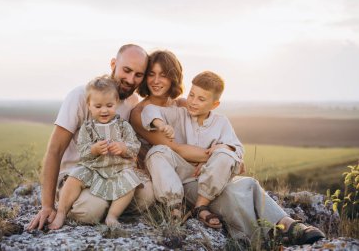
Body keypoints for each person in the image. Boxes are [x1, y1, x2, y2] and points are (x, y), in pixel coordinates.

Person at [130, 52, 325, 245]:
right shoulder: (149, 112)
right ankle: (263, 237)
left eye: (163, 74)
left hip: (208, 175)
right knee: (230, 193)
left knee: (247, 183)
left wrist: (227, 155)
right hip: (179, 177)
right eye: (151, 74)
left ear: (174, 78)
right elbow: (175, 147)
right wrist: (214, 155)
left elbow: (235, 154)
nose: (156, 80)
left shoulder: (185, 106)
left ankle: (288, 223)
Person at [28, 44, 154, 231]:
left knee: (148, 196)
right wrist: (47, 206)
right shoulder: (81, 96)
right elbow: (55, 150)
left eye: (138, 75)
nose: (130, 79)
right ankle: (80, 204)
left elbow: (133, 143)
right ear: (113, 64)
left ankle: (109, 209)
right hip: (78, 175)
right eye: (126, 70)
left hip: (111, 172)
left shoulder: (131, 102)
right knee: (90, 211)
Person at [140, 71, 244, 229]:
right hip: (182, 171)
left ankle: (200, 207)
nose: (193, 102)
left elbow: (237, 151)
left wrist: (221, 149)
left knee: (225, 154)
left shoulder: (221, 122)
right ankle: (175, 206)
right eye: (191, 95)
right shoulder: (179, 114)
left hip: (208, 176)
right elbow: (148, 110)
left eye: (201, 99)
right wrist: (161, 124)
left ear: (215, 105)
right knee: (157, 151)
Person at [49, 76, 142, 229]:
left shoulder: (123, 126)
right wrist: (94, 149)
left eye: (109, 105)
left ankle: (112, 215)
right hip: (93, 169)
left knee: (130, 182)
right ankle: (61, 212)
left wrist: (123, 148)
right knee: (75, 176)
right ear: (89, 105)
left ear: (117, 103)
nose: (104, 110)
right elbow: (83, 150)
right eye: (98, 106)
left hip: (117, 170)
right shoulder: (88, 128)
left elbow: (134, 145)